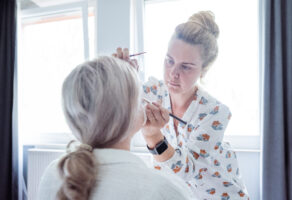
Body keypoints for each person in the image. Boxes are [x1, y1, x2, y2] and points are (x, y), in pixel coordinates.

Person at [114, 11, 249, 200]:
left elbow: (188, 170)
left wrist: (154, 137)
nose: (173, 73)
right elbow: (118, 106)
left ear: (204, 70)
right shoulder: (154, 90)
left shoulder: (216, 112)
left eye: (185, 66)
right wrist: (123, 74)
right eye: (169, 61)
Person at [37, 56, 194, 200]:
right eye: (139, 97)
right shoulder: (162, 190)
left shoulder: (53, 174)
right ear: (128, 111)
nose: (145, 102)